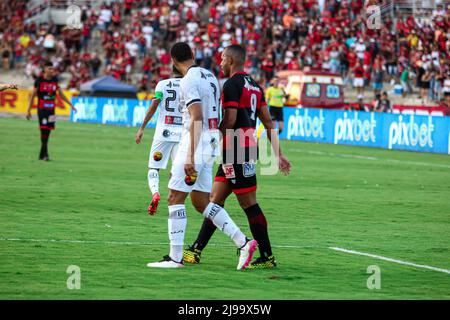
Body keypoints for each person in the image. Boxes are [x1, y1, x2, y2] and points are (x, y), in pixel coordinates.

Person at [146, 42, 257, 270]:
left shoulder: (188, 80)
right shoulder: (209, 75)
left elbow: (196, 117)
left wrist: (188, 156)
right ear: (193, 55)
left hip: (196, 141)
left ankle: (175, 258)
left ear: (172, 60)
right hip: (212, 141)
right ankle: (243, 242)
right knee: (201, 202)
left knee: (174, 197)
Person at [183, 44, 292, 269]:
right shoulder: (255, 86)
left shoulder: (231, 85)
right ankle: (196, 250)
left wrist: (213, 137)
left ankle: (267, 256)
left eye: (223, 59)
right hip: (244, 149)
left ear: (231, 60)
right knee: (215, 200)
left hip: (236, 150)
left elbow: (230, 120)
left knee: (249, 204)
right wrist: (278, 154)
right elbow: (268, 122)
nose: (220, 63)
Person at [135, 67, 183, 215]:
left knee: (153, 168)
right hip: (182, 133)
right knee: (176, 169)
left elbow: (153, 107)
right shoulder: (189, 85)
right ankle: (172, 197)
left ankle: (155, 193)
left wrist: (142, 128)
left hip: (163, 132)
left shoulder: (163, 84)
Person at [26, 61, 76, 161]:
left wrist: (70, 104)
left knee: (48, 131)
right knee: (43, 130)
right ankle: (45, 154)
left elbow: (60, 94)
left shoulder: (54, 80)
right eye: (49, 68)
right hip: (42, 110)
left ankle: (42, 154)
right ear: (44, 70)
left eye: (52, 69)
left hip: (52, 111)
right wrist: (28, 110)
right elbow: (33, 96)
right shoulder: (39, 81)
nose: (52, 70)